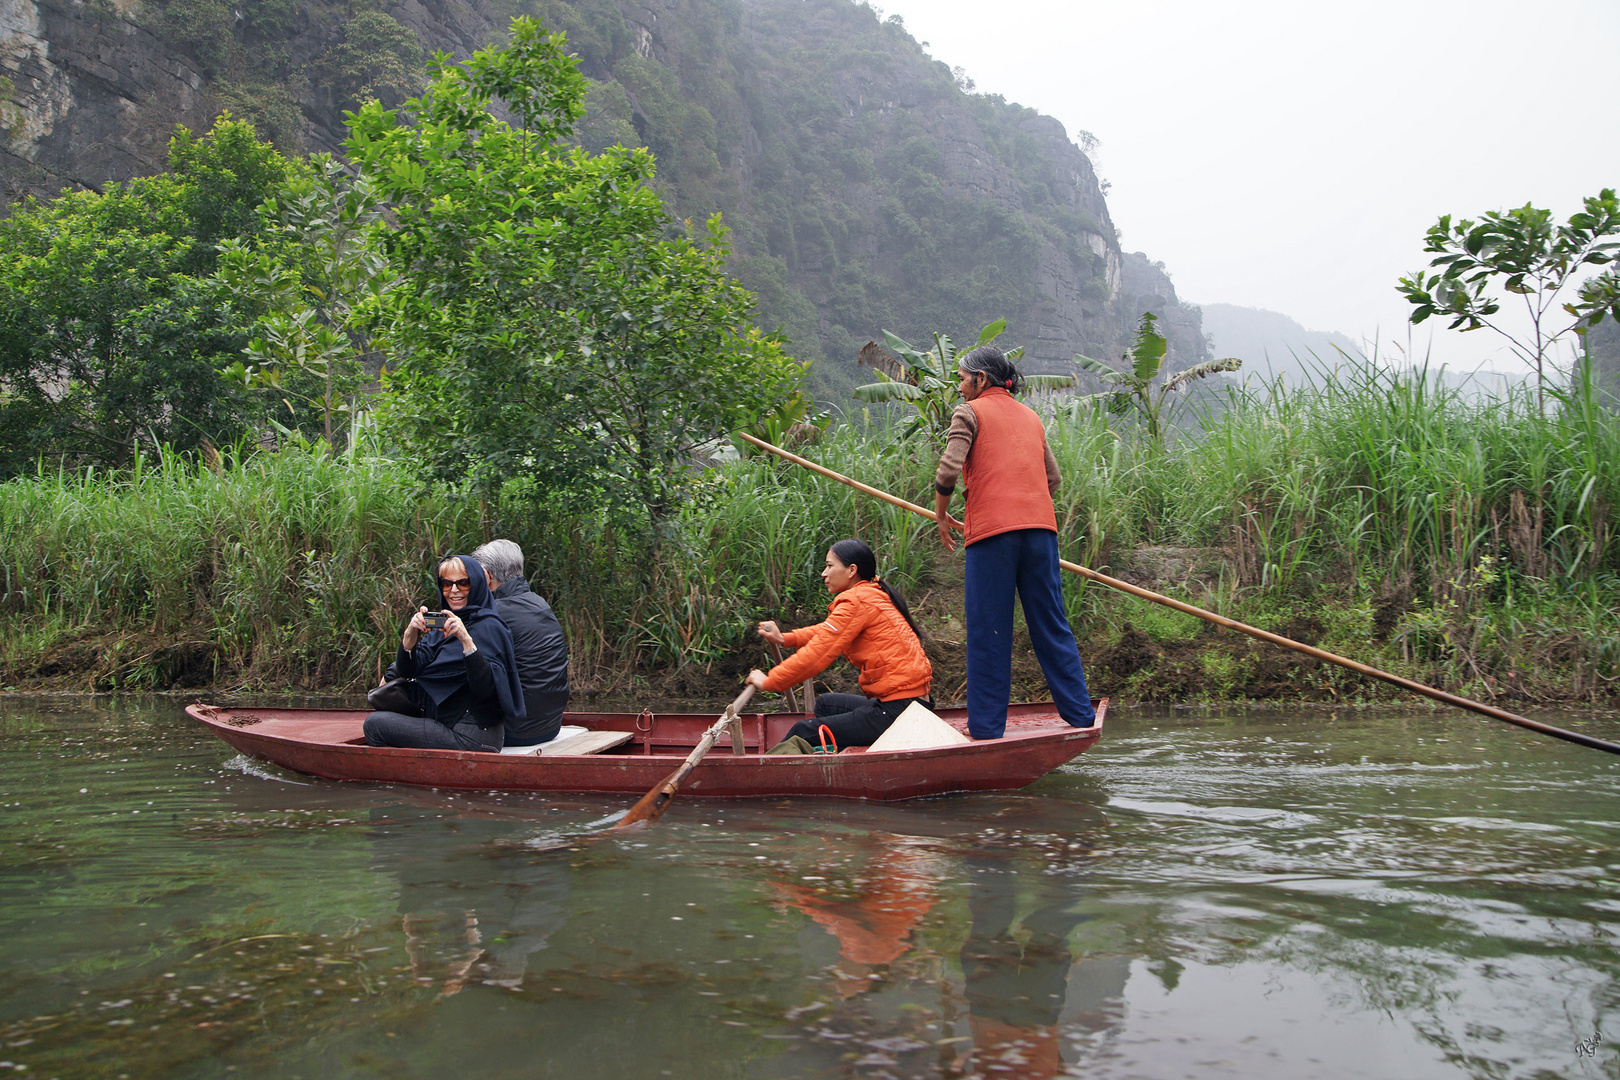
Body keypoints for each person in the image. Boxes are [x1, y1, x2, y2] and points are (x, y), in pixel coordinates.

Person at [933, 345, 1095, 739]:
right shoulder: (1031, 417)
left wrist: (941, 513)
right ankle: (1080, 715)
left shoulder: (970, 412)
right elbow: (1052, 480)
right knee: (1050, 623)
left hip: (992, 536)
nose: (958, 385)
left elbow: (949, 469)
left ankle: (987, 730)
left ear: (980, 379)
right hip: (1040, 534)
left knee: (989, 630)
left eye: (961, 377)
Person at [746, 538, 932, 751]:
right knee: (826, 704)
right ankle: (830, 759)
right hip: (914, 705)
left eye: (829, 566)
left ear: (852, 570)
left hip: (899, 711)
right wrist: (785, 639)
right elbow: (827, 631)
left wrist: (770, 682)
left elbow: (818, 654)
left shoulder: (857, 601)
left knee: (803, 731)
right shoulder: (870, 594)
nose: (824, 573)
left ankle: (772, 773)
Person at [363, 555, 526, 752]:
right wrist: (409, 637)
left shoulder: (490, 626)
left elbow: (486, 690)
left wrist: (466, 642)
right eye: (447, 584)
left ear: (476, 585)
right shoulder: (446, 623)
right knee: (383, 716)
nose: (454, 591)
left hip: (473, 735)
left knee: (374, 725)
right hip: (446, 721)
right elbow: (409, 670)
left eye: (462, 583)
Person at [470, 539, 570, 746]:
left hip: (516, 732)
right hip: (550, 726)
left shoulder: (492, 613)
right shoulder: (538, 602)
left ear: (486, 576)